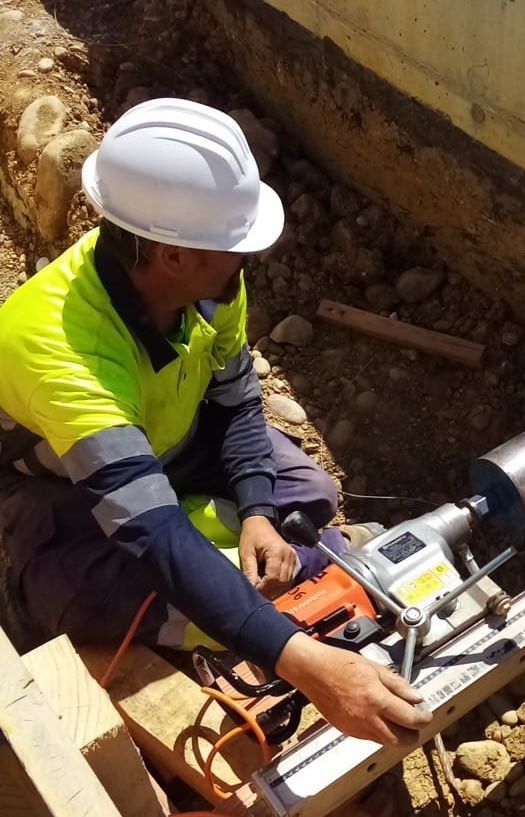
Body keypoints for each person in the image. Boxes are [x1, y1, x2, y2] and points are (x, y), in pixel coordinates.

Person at [0, 98, 430, 746]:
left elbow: (234, 402)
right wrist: (307, 664)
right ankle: (30, 587)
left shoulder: (207, 283)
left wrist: (256, 506)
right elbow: (152, 532)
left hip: (169, 447)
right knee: (86, 593)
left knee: (306, 495)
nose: (246, 258)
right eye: (233, 244)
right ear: (172, 253)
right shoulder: (59, 348)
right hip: (58, 494)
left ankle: (241, 570)